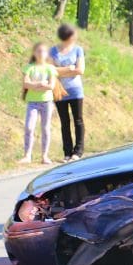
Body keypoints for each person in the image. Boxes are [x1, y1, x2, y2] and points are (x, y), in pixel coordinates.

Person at [50, 24, 85, 162]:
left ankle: (78, 151)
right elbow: (51, 70)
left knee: (78, 120)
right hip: (59, 90)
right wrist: (69, 68)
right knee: (64, 122)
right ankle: (67, 152)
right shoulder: (53, 50)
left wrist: (61, 70)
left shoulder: (78, 50)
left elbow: (80, 70)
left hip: (76, 90)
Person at [20, 42, 58, 165]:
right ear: (34, 53)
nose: (40, 53)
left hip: (46, 101)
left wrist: (35, 85)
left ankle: (44, 155)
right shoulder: (29, 67)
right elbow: (26, 83)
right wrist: (40, 84)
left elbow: (51, 86)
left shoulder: (50, 68)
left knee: (45, 128)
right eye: (38, 51)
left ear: (46, 54)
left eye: (43, 51)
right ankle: (27, 155)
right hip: (33, 102)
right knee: (29, 127)